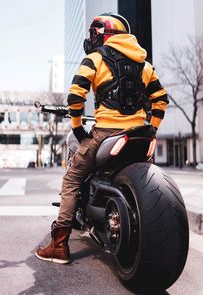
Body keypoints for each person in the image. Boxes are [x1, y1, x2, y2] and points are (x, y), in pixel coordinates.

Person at [35, 12, 169, 264]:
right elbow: (161, 99)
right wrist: (152, 127)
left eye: (95, 31)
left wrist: (78, 129)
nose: (91, 37)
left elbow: (75, 96)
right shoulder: (145, 65)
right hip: (139, 133)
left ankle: (59, 245)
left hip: (106, 132)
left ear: (109, 33)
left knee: (72, 178)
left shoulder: (94, 59)